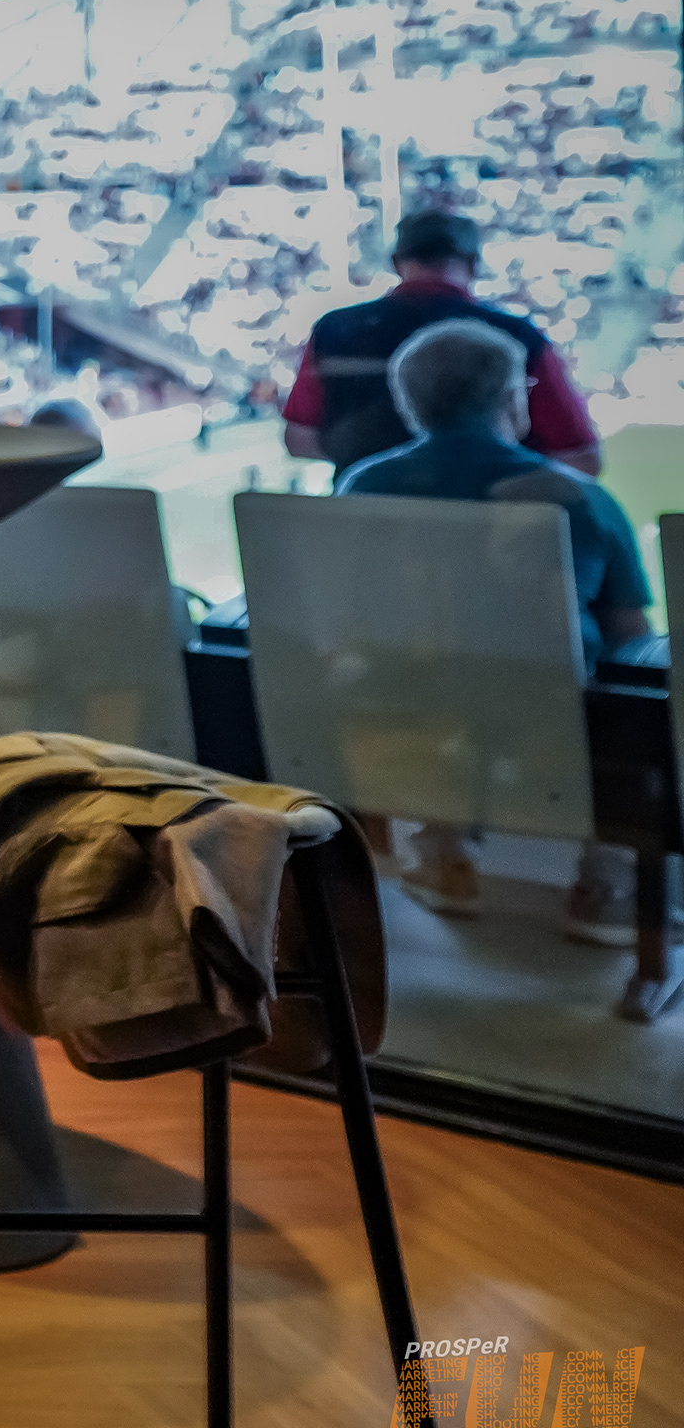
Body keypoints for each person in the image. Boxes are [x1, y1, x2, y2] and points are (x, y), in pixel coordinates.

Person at [338, 317, 664, 946]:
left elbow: (351, 611)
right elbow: (630, 629)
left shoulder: (359, 487)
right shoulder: (577, 497)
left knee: (435, 673)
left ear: (409, 403)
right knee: (631, 681)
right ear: (514, 398)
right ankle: (603, 882)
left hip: (403, 700)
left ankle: (442, 853)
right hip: (551, 709)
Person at [284, 207, 600, 475]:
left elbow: (300, 439)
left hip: (366, 527)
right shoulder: (518, 337)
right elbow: (581, 457)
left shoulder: (333, 330)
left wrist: (384, 465)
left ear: (396, 263)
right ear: (474, 264)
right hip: (491, 532)